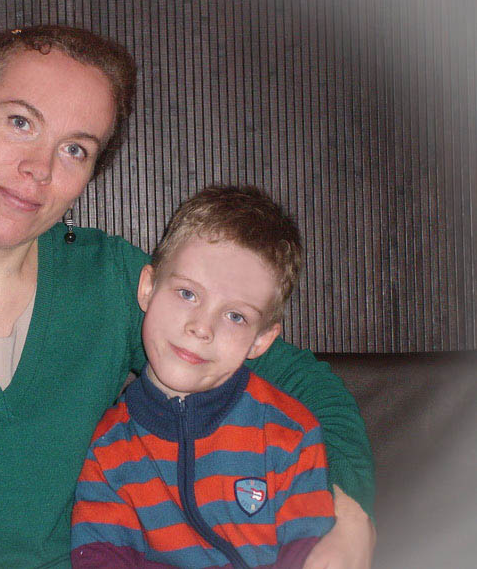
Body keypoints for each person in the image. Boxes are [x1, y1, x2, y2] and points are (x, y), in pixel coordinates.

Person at [0, 25, 374, 568]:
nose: (40, 167)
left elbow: (302, 383)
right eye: (20, 122)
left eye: (75, 148)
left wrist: (348, 515)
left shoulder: (108, 280)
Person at [71, 186, 334, 568]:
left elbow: (313, 553)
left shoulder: (291, 434)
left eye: (235, 316)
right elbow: (99, 558)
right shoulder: (108, 449)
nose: (201, 328)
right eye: (187, 294)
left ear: (261, 340)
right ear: (147, 288)